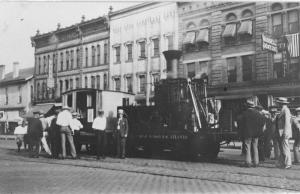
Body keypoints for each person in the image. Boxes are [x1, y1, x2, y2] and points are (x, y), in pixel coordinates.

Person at [240, 100, 266, 167]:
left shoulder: (244, 113)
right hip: (256, 134)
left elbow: (239, 122)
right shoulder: (258, 113)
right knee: (255, 147)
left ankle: (248, 163)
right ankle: (256, 162)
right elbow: (263, 120)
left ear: (247, 106)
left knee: (247, 147)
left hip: (248, 133)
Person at [275, 97, 292, 169]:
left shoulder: (286, 110)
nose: (277, 104)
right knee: (282, 148)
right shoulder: (283, 110)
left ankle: (288, 164)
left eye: (278, 103)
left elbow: (287, 122)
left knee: (285, 148)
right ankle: (283, 163)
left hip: (284, 132)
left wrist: (285, 132)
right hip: (280, 132)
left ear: (281, 103)